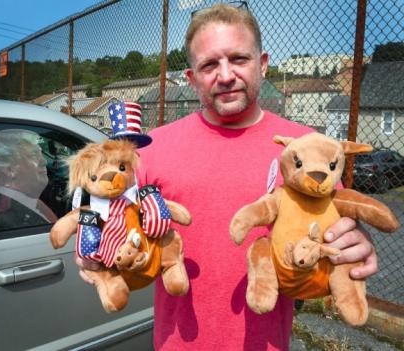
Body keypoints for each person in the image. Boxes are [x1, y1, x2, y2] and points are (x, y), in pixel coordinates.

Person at [77, 4, 377, 350]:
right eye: (209, 64)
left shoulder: (307, 149)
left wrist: (356, 242)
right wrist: (88, 244)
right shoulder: (150, 149)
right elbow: (97, 208)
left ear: (263, 64)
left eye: (238, 59)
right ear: (191, 78)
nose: (225, 75)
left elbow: (339, 227)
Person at [0, 129, 57, 232]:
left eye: (41, 154)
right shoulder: (1, 223)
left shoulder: (27, 202)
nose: (44, 161)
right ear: (9, 169)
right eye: (33, 155)